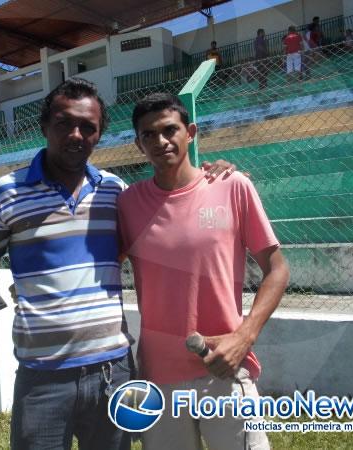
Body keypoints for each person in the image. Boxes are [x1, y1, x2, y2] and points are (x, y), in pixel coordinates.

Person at [0, 79, 238, 450]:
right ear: (45, 126)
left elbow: (173, 213)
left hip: (112, 371)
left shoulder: (116, 192)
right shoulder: (7, 192)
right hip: (41, 375)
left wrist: (217, 178)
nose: (76, 134)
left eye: (89, 127)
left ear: (99, 135)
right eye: (64, 123)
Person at [118, 93, 289, 450]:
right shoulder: (127, 203)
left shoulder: (232, 186)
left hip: (224, 369)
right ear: (138, 144)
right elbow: (97, 271)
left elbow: (277, 268)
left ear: (190, 132)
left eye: (170, 130)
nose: (160, 141)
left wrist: (244, 337)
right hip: (158, 378)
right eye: (148, 135)